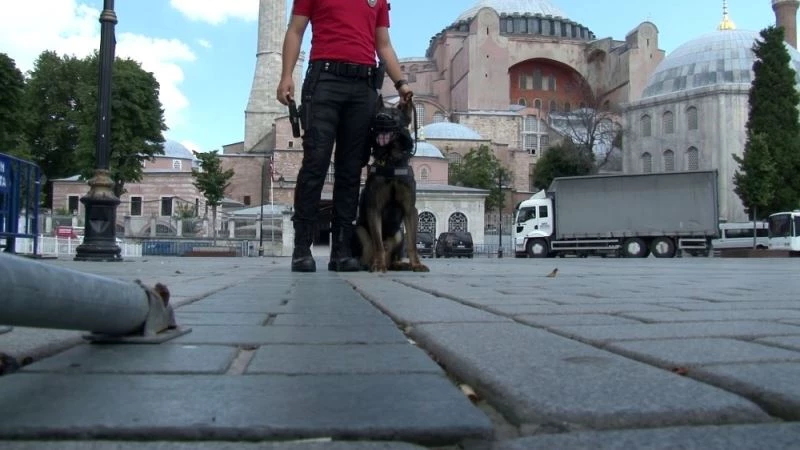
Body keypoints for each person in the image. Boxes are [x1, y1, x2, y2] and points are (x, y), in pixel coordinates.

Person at [277, 0, 413, 273]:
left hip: (364, 88)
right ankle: (302, 249)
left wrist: (401, 83)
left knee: (351, 170)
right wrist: (286, 75)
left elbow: (383, 44)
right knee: (315, 163)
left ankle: (341, 251)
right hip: (324, 80)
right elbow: (295, 30)